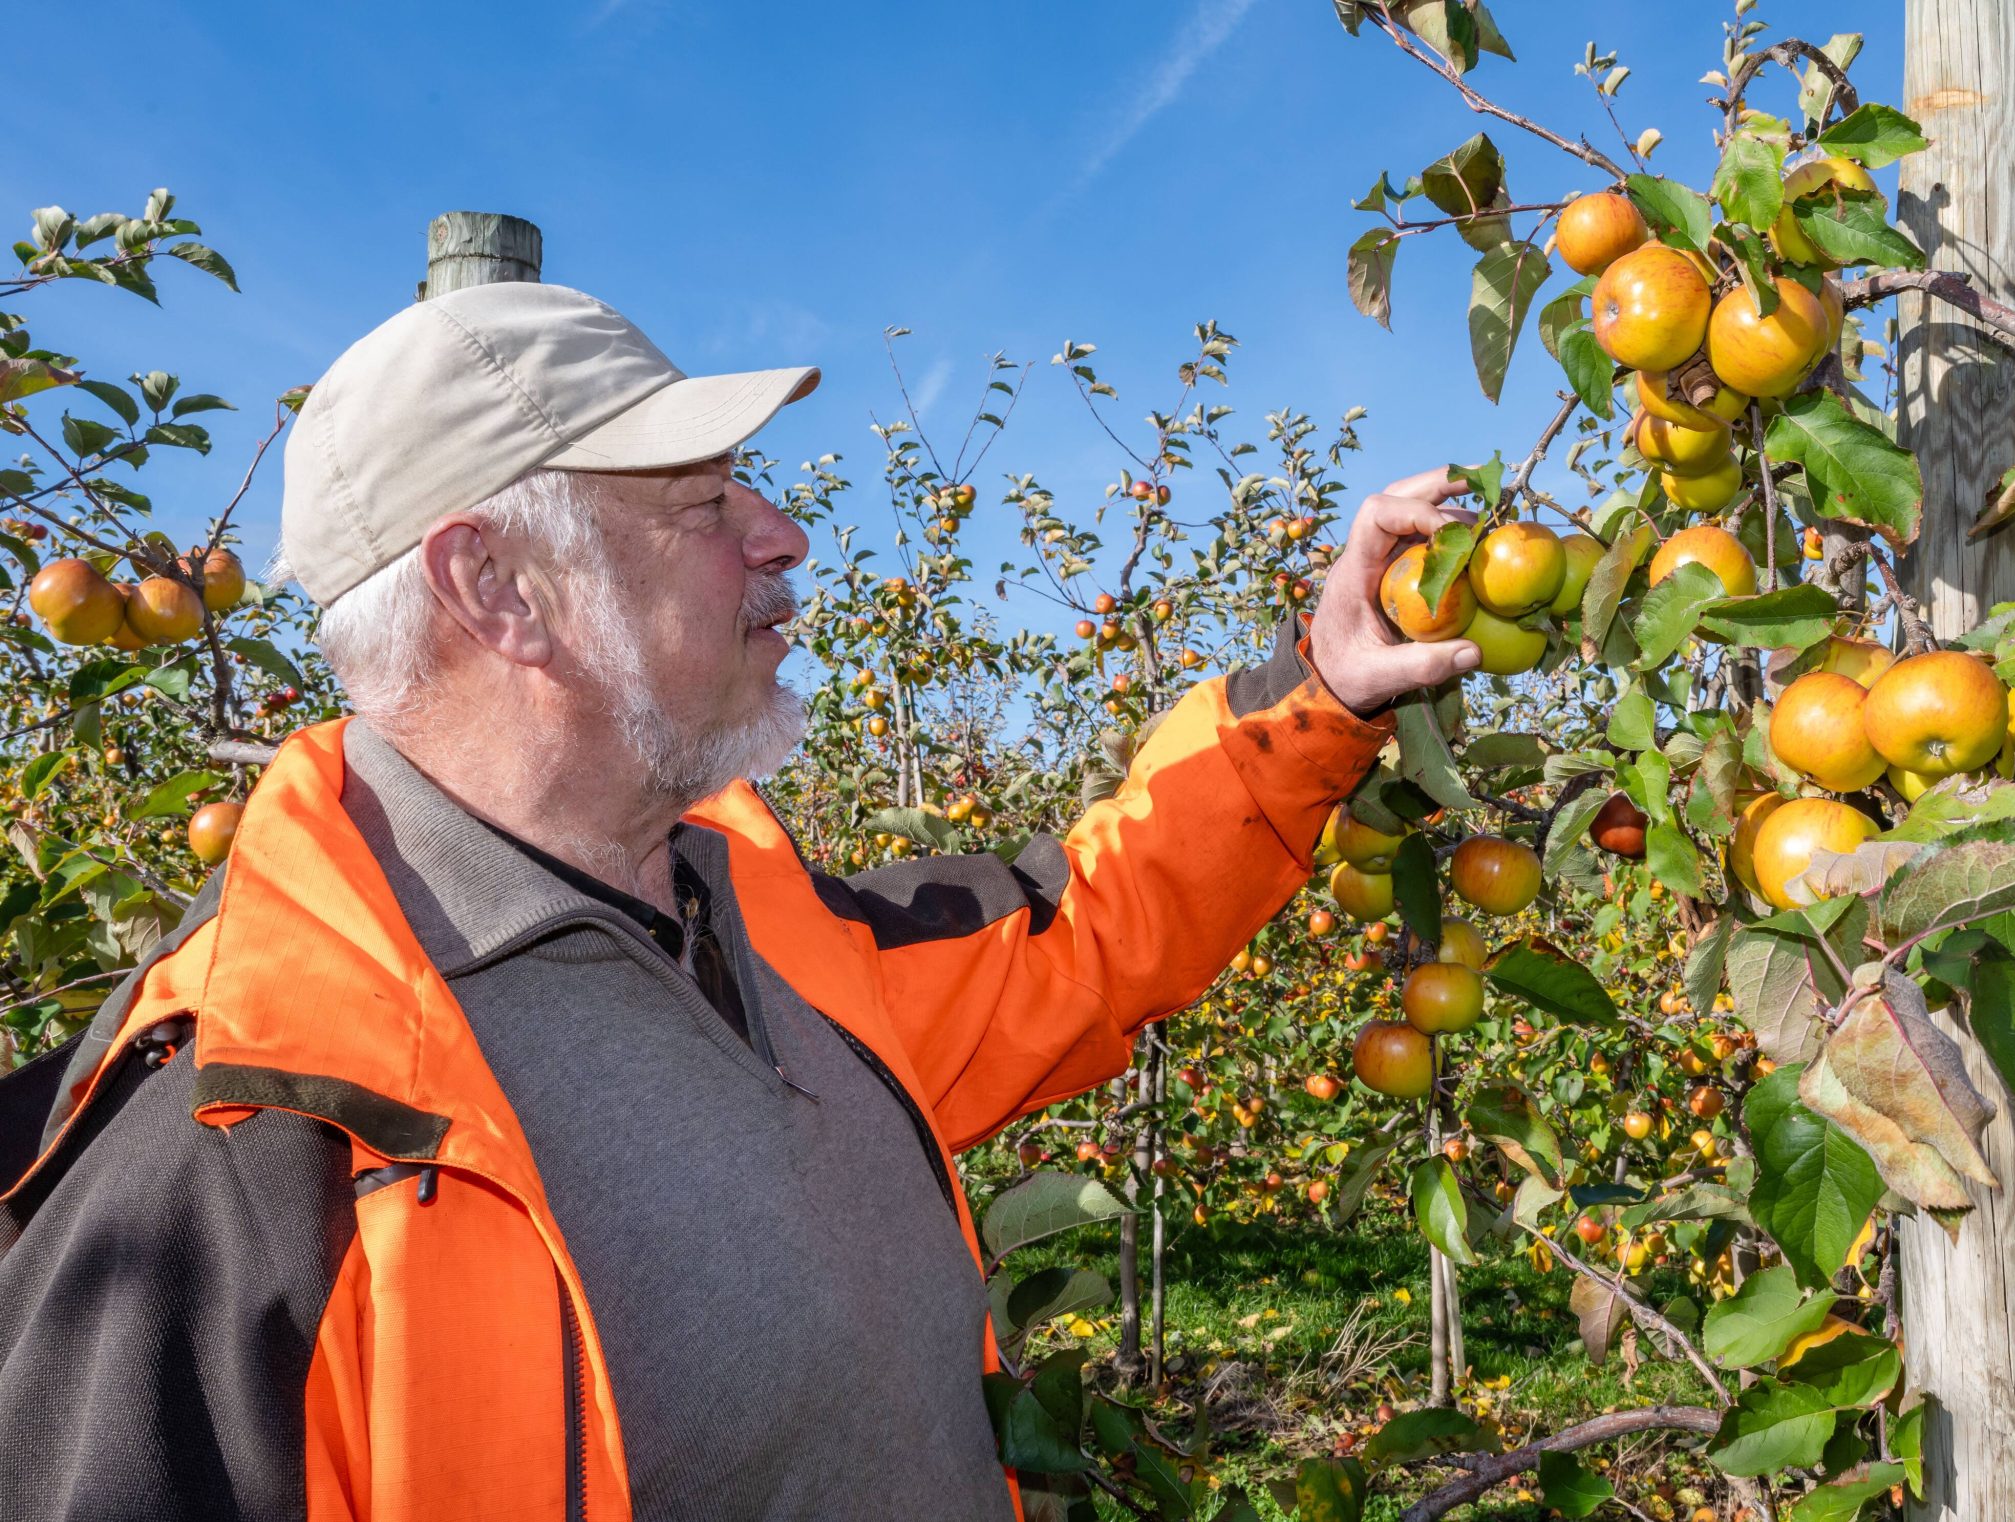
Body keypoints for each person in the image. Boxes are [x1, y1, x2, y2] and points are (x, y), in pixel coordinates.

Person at [0, 281, 1481, 1520]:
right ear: (498, 586)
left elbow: (1079, 933)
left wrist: (1321, 695)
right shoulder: (244, 1156)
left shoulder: (778, 930)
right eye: (705, 501)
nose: (782, 534)